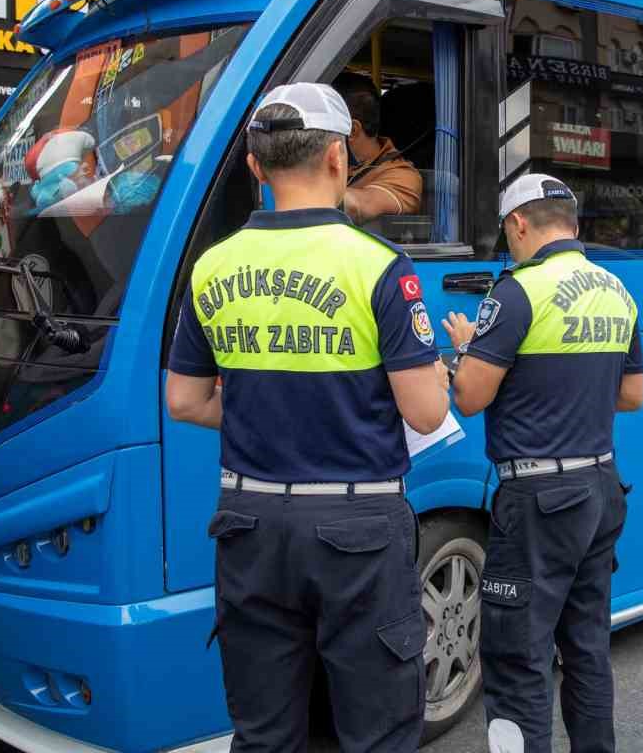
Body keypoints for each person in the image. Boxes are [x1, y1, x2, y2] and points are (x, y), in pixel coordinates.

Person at [164, 82, 452, 753]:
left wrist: (268, 409)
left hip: (250, 524)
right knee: (376, 730)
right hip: (357, 531)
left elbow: (184, 400)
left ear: (255, 166)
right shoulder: (380, 267)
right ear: (336, 158)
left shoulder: (213, 267)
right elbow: (426, 409)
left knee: (266, 732)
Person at [441, 174, 643, 753]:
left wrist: (463, 353)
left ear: (519, 224)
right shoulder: (615, 290)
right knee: (586, 647)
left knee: (515, 657)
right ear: (572, 225)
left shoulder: (515, 293)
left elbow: (471, 396)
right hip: (601, 488)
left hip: (538, 499)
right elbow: (632, 396)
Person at [334, 72, 424, 223]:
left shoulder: (403, 177)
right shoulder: (336, 161)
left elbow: (357, 206)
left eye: (322, 128)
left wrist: (296, 187)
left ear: (352, 131)